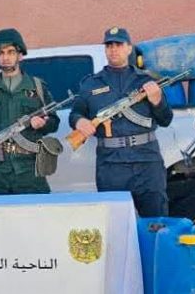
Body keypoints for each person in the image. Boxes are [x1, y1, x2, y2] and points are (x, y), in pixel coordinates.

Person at [69, 27, 172, 216]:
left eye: (119, 44)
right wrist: (80, 122)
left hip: (147, 162)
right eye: (109, 45)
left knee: (156, 221)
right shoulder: (91, 83)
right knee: (115, 221)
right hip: (111, 165)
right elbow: (76, 113)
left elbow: (166, 120)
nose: (114, 49)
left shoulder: (146, 81)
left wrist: (157, 101)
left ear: (129, 48)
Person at [0, 28, 60, 195]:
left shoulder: (37, 87)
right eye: (1, 53)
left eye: (11, 52)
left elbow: (54, 122)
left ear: (20, 55)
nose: (5, 57)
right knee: (0, 211)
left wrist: (42, 124)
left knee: (35, 209)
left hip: (30, 167)